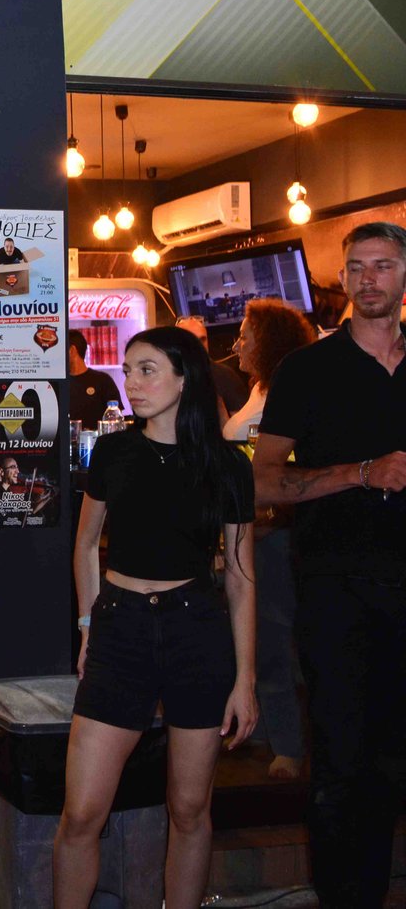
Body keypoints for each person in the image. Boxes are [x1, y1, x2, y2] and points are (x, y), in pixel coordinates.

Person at [53, 326, 257, 909]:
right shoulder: (115, 452)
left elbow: (241, 577)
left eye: (147, 370)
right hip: (121, 629)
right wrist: (88, 625)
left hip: (196, 630)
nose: (133, 383)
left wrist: (245, 679)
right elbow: (85, 544)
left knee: (190, 809)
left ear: (184, 378)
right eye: (129, 371)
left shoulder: (226, 464)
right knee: (82, 812)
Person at [253, 221, 406, 907]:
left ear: (404, 277)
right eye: (357, 267)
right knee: (344, 765)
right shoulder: (308, 369)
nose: (369, 279)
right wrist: (359, 472)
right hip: (337, 590)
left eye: (383, 265)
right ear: (343, 279)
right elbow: (261, 479)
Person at [222, 299, 315, 782]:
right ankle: (257, 730)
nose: (238, 343)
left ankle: (288, 746)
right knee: (252, 638)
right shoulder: (257, 389)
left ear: (269, 341)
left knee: (273, 638)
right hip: (247, 532)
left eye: (246, 335)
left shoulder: (286, 392)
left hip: (272, 534)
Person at [175, 314, 249, 416]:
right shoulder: (167, 378)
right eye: (191, 341)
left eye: (202, 339)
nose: (199, 346)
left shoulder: (225, 377)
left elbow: (243, 423)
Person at [67, 329, 121, 429]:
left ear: (72, 351)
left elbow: (116, 419)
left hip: (99, 438)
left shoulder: (103, 380)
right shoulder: (58, 384)